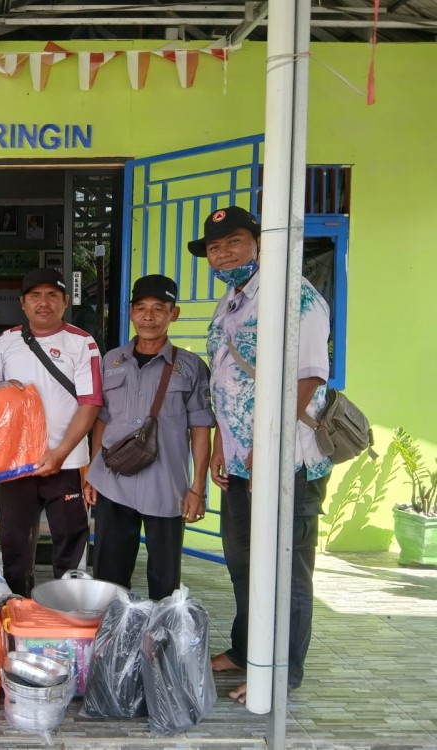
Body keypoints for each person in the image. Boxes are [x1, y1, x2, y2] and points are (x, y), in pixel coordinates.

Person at [188, 206, 333, 703]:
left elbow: (309, 377)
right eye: (214, 247)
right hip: (241, 464)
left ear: (259, 243)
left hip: (287, 464)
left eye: (234, 242)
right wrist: (222, 446)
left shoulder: (294, 297)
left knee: (286, 570)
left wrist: (266, 446)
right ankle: (246, 648)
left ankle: (281, 671)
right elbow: (225, 380)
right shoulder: (231, 301)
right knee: (244, 562)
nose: (223, 253)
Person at [83, 274, 214, 601]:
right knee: (109, 576)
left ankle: (161, 632)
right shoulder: (111, 361)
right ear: (131, 313)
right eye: (141, 308)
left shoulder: (190, 367)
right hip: (112, 482)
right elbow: (102, 420)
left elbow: (201, 427)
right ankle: (113, 630)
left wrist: (198, 488)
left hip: (166, 486)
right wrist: (91, 473)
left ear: (174, 314)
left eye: (159, 308)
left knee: (164, 580)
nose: (149, 317)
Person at [0, 267, 103, 597]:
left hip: (68, 462)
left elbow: (90, 403)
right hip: (17, 463)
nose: (43, 302)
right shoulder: (7, 342)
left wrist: (59, 453)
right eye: (35, 295)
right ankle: (17, 607)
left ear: (65, 301)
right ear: (23, 303)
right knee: (15, 543)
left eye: (52, 295)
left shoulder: (82, 343)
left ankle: (68, 610)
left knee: (71, 543)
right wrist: (3, 389)